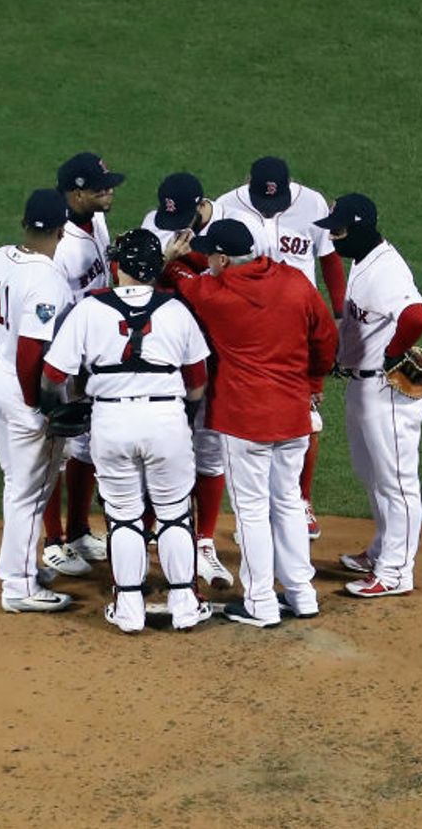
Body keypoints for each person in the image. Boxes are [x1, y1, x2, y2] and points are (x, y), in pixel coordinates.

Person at [162, 219, 338, 627]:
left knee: (253, 512)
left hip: (246, 421)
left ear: (222, 258)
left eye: (211, 255)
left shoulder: (215, 295)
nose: (206, 260)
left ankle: (260, 602)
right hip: (295, 414)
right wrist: (313, 381)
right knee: (290, 503)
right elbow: (326, 337)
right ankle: (302, 594)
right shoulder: (294, 281)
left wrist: (173, 258)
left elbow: (181, 278)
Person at [43, 229, 213, 633]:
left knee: (123, 517)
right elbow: (198, 383)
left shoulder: (88, 309)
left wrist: (63, 405)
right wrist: (182, 417)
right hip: (166, 420)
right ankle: (185, 603)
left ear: (117, 266)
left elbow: (53, 376)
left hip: (111, 423)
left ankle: (129, 608)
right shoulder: (177, 310)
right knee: (173, 515)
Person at [215, 156, 346, 541]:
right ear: (248, 184)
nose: (271, 206)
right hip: (245, 328)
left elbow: (330, 261)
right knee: (245, 420)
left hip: (297, 327)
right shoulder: (227, 204)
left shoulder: (313, 204)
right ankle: (254, 511)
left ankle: (300, 500)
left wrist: (337, 315)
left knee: (307, 417)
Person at [316, 194, 422, 598]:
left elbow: (416, 315)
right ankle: (383, 549)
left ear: (361, 228)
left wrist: (394, 351)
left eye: (340, 229)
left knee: (397, 482)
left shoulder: (387, 272)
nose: (332, 236)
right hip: (363, 386)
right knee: (372, 476)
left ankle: (397, 571)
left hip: (387, 392)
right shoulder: (363, 260)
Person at [0, 189, 77, 613]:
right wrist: (41, 405)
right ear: (61, 229)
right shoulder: (47, 278)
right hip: (21, 387)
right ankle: (19, 587)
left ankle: (24, 567)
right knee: (29, 491)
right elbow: (33, 349)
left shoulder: (0, 256)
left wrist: (2, 333)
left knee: (18, 484)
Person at [141, 173, 231, 588]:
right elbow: (138, 285)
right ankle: (149, 529)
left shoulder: (229, 228)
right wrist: (163, 261)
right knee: (160, 442)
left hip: (218, 353)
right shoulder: (152, 224)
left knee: (209, 447)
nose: (170, 224)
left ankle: (206, 542)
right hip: (166, 351)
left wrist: (188, 264)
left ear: (199, 206)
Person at [39, 152, 126, 578]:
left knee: (86, 445)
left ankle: (76, 531)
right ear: (76, 193)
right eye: (99, 186)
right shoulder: (61, 247)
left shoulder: (96, 220)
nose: (108, 191)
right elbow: (49, 312)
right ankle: (52, 541)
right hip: (65, 355)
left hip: (94, 352)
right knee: (55, 449)